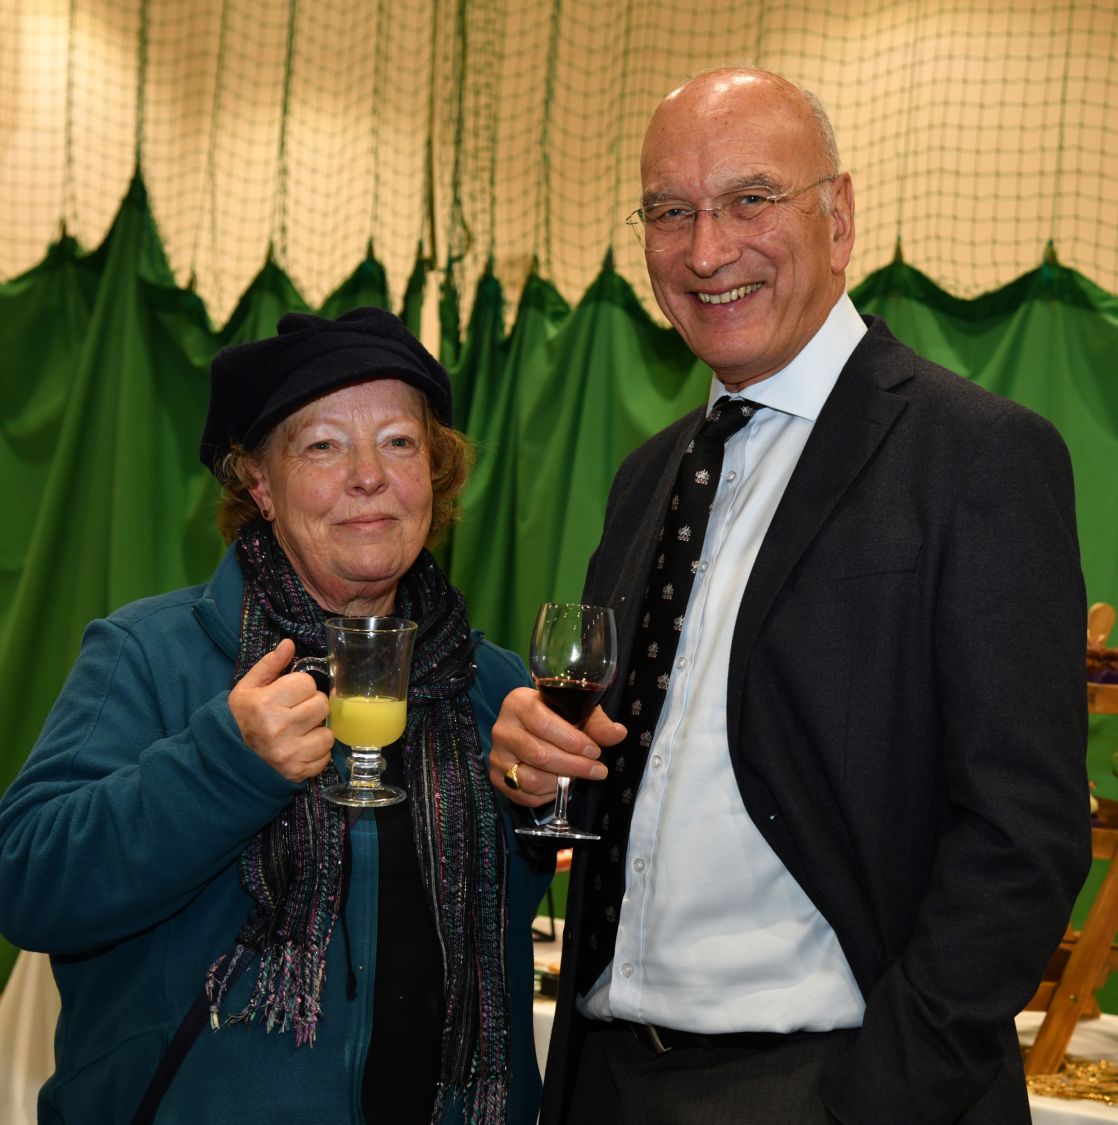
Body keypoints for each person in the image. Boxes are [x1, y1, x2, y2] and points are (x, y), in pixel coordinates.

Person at [489, 67, 1090, 1124]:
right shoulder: (648, 478)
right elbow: (641, 780)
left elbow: (1023, 833)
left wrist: (879, 1095)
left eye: (749, 199)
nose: (705, 250)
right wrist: (537, 778)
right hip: (609, 1076)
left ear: (839, 217)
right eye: (669, 212)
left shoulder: (976, 457)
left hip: (830, 1083)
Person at [0, 307, 552, 1124]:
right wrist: (224, 764)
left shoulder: (490, 683)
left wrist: (543, 803)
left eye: (399, 441)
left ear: (433, 472)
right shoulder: (150, 654)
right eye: (323, 445)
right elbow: (26, 880)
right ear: (259, 484)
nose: (369, 475)